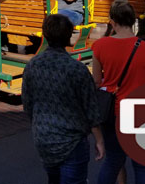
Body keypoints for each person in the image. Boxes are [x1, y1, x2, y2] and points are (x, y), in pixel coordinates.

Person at [22, 14, 104, 183]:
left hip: (44, 138)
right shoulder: (77, 69)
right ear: (68, 36)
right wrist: (99, 140)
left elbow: (28, 104)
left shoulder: (32, 66)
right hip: (72, 141)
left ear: (45, 35)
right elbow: (91, 109)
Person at [92, 0, 145, 184]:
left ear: (112, 22)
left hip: (113, 111)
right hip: (140, 110)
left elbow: (97, 81)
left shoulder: (99, 46)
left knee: (113, 160)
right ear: (133, 20)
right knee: (142, 165)